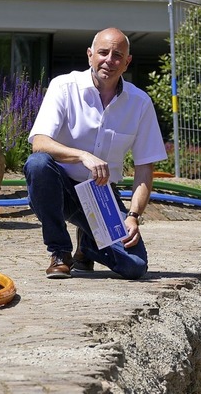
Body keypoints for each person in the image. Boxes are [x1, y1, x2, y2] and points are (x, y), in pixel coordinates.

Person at [23, 27, 167, 279]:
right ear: (90, 55)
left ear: (127, 62)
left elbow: (144, 167)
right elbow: (40, 143)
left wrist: (133, 216)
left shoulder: (140, 103)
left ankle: (88, 246)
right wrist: (82, 156)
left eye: (117, 55)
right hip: (59, 188)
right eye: (103, 52)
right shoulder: (64, 87)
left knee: (134, 265)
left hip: (101, 197)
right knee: (38, 164)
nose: (109, 60)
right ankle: (60, 252)